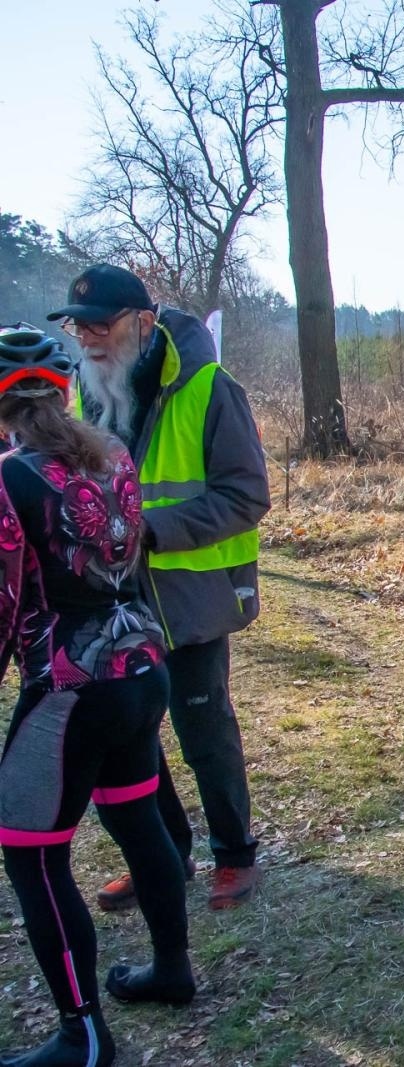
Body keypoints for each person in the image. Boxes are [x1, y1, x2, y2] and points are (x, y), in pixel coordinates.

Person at [47, 265, 271, 912]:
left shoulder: (210, 387)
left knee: (204, 731)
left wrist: (147, 529)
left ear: (143, 323)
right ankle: (166, 857)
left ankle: (236, 856)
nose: (87, 337)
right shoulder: (86, 398)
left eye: (101, 324)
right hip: (113, 600)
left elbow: (246, 495)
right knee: (132, 737)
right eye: (77, 325)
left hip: (193, 598)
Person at [0, 324, 193, 1067]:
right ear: (62, 387)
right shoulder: (115, 456)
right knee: (137, 816)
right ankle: (173, 968)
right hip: (141, 669)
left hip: (68, 690)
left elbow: (6, 601)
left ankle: (83, 1037)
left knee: (32, 855)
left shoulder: (11, 478)